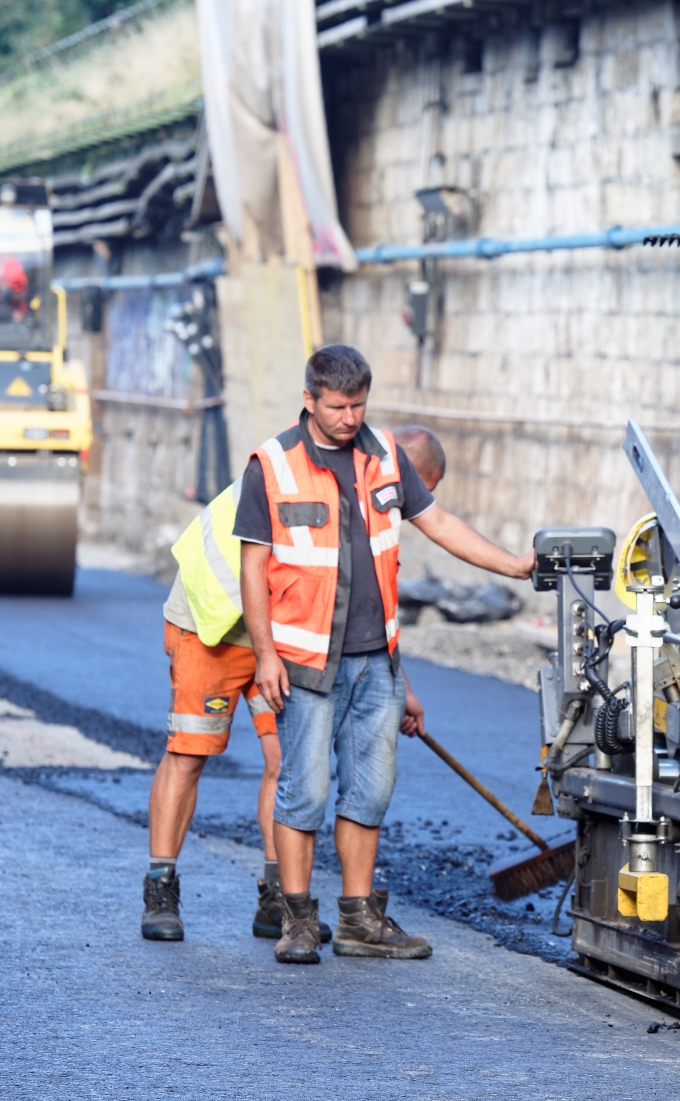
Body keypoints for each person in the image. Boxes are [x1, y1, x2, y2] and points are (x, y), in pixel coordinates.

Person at [240, 348, 532, 964]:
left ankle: (358, 920)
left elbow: (441, 523)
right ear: (310, 399)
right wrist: (265, 655)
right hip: (305, 661)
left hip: (377, 661)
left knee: (370, 792)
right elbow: (253, 566)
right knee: (305, 792)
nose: (349, 418)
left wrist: (513, 565)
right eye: (338, 407)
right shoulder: (271, 465)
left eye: (359, 405)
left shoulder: (385, 457)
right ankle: (297, 921)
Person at [138, 425, 448, 942]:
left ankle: (276, 897)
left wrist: (398, 686)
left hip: (281, 632)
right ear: (402, 473)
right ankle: (160, 888)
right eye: (410, 496)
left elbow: (363, 608)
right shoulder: (310, 473)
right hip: (210, 618)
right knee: (190, 752)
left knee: (287, 762)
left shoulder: (365, 495)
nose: (406, 513)